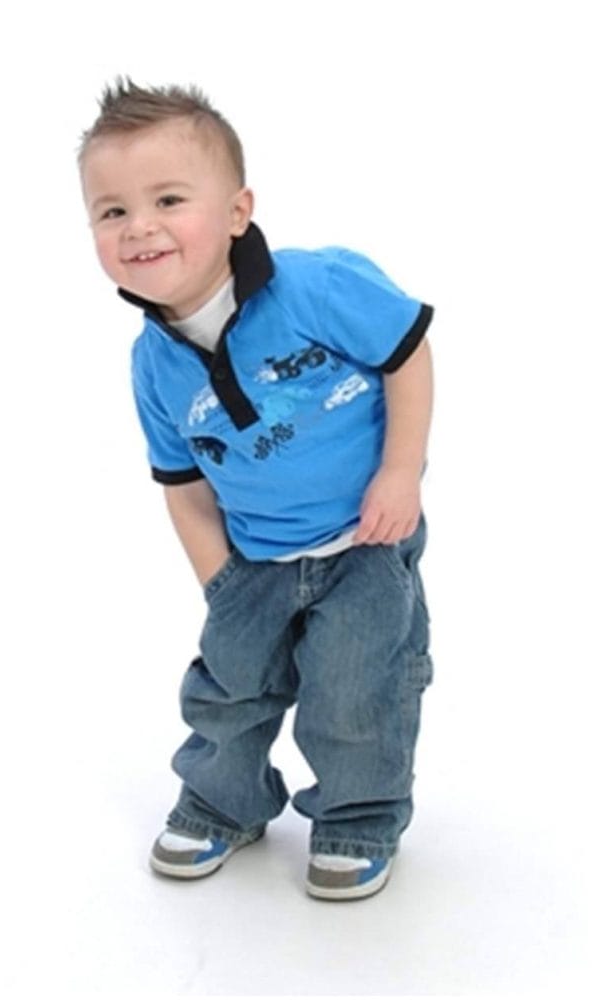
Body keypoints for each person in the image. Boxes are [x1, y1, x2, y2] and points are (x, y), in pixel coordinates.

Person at [77, 78, 435, 901]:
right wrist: (221, 582)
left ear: (238, 211)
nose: (140, 226)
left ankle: (358, 817)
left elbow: (407, 353)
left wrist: (400, 471)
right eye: (112, 210)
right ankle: (222, 803)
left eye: (169, 199)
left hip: (364, 544)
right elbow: (182, 484)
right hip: (254, 561)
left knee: (358, 692)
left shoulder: (314, 287)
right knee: (226, 693)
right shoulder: (153, 363)